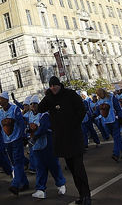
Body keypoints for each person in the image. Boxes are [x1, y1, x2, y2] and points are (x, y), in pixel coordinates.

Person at [37, 77, 91, 205]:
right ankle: (81, 195)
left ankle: (87, 195)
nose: (53, 88)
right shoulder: (50, 97)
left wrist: (75, 123)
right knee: (72, 169)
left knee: (79, 169)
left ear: (60, 85)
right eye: (51, 86)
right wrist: (48, 95)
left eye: (55, 85)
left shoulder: (70, 94)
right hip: (62, 140)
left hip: (74, 137)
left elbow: (82, 109)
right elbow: (40, 108)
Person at [28, 96, 67, 200]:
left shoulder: (44, 114)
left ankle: (61, 184)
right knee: (40, 168)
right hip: (37, 147)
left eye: (35, 104)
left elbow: (43, 127)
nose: (33, 106)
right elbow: (29, 128)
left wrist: (35, 136)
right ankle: (40, 190)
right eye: (31, 104)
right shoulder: (30, 116)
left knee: (53, 165)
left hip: (47, 144)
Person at [0, 91, 29, 194]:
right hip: (7, 142)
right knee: (15, 162)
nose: (0, 101)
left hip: (16, 140)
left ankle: (15, 184)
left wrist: (23, 136)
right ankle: (25, 183)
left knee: (18, 162)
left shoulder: (14, 109)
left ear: (6, 100)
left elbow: (21, 123)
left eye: (2, 99)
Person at [95, 88, 122, 162]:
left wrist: (121, 118)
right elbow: (98, 110)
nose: (98, 95)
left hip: (114, 120)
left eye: (99, 94)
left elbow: (118, 108)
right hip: (106, 122)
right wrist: (93, 115)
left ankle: (115, 153)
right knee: (117, 138)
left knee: (116, 137)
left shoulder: (111, 97)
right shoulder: (99, 101)